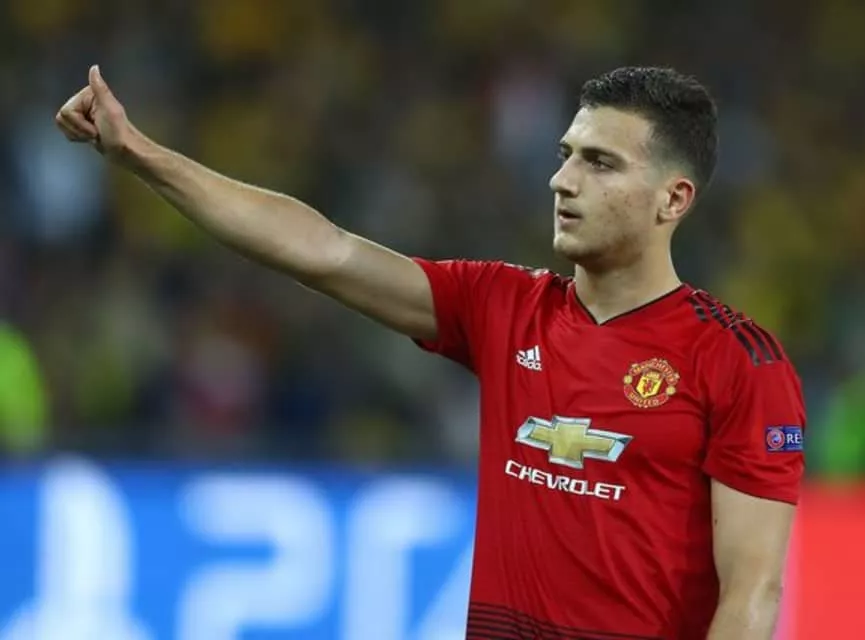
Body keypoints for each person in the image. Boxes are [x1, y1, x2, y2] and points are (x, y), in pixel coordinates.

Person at [55, 64, 805, 639]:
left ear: (673, 199)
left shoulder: (739, 361)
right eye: (566, 154)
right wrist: (143, 156)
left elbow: (752, 591)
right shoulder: (504, 306)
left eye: (600, 163)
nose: (562, 180)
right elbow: (323, 250)